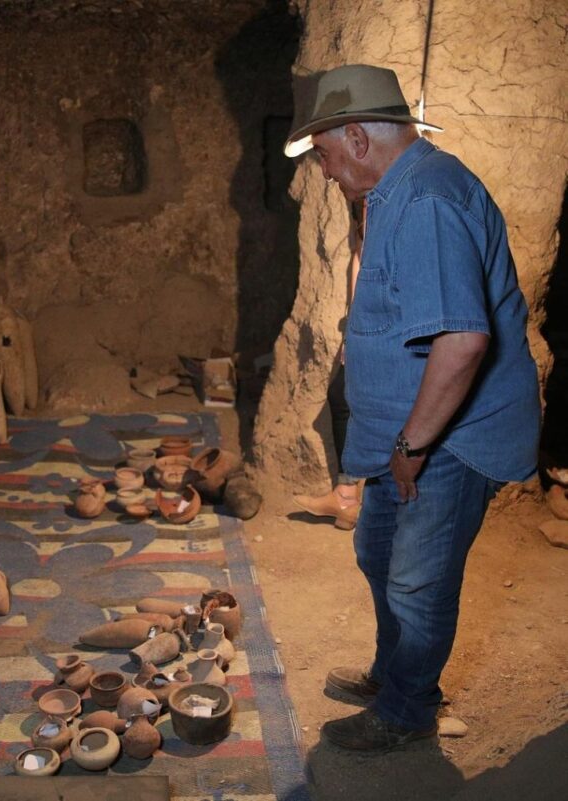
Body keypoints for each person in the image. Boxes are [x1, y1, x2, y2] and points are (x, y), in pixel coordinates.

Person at [283, 65, 540, 752]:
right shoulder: (396, 189)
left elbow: (461, 341)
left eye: (326, 157)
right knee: (377, 552)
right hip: (413, 427)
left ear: (359, 137)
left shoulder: (425, 198)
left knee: (416, 578)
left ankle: (405, 708)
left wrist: (412, 446)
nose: (327, 172)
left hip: (451, 435)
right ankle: (392, 674)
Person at [293, 200, 365, 530]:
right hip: (368, 320)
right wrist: (354, 323)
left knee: (353, 400)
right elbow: (359, 255)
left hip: (395, 322)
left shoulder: (403, 198)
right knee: (341, 396)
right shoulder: (369, 199)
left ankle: (355, 499)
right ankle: (347, 497)